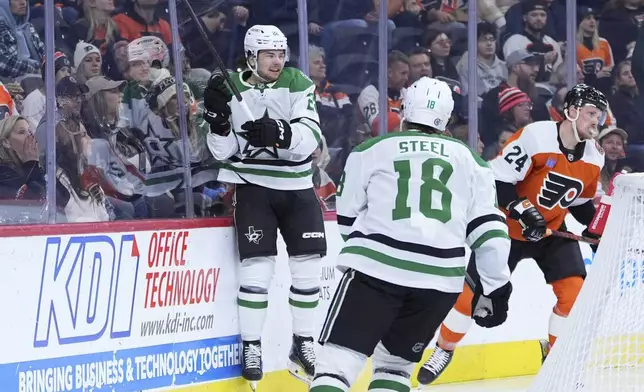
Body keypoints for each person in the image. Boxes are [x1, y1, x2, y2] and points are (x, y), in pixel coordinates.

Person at [309, 77, 513, 392]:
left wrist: (375, 252)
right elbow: (490, 233)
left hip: (376, 270)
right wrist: (497, 288)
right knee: (394, 368)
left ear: (403, 109)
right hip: (438, 282)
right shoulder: (473, 162)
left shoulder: (372, 149)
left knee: (337, 364)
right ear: (448, 117)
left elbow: (347, 220)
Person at [417, 84, 607, 385]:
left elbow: (580, 203)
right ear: (571, 112)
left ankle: (558, 360)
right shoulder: (535, 137)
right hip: (506, 230)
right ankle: (443, 349)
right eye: (591, 113)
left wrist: (597, 229)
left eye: (600, 115)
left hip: (551, 232)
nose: (597, 121)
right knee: (469, 298)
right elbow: (496, 181)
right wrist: (522, 209)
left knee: (573, 293)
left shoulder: (595, 157)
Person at [203, 25, 325, 386]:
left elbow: (309, 137)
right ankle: (251, 346)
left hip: (299, 188)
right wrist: (217, 121)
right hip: (253, 186)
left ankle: (303, 342)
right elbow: (222, 153)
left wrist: (281, 132)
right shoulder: (228, 85)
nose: (277, 60)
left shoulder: (298, 82)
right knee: (256, 271)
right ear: (251, 56)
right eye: (269, 54)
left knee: (307, 270)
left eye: (280, 53)